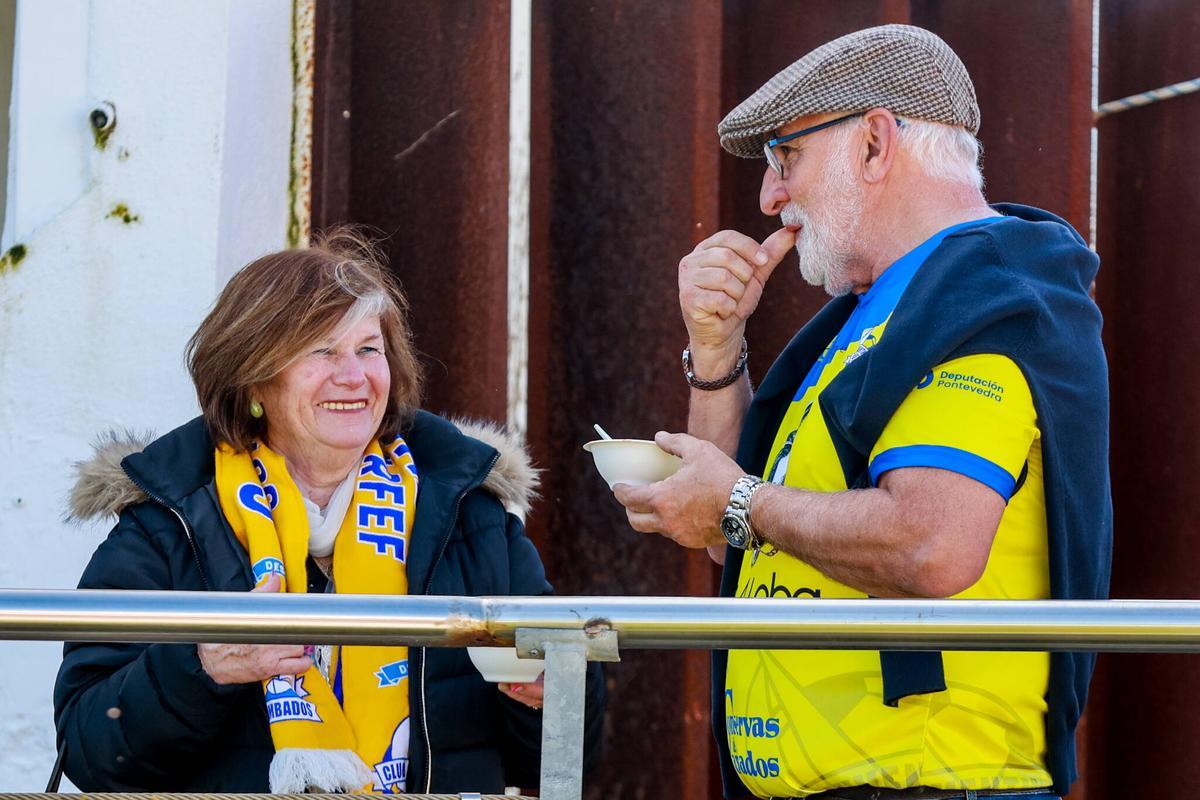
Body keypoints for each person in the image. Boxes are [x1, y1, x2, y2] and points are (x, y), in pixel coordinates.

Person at [612, 24, 1110, 800]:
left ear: (875, 144)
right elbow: (728, 537)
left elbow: (933, 546)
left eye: (787, 157)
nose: (770, 195)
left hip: (931, 783)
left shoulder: (983, 299)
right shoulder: (876, 314)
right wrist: (716, 353)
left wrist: (739, 500)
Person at [55, 229, 604, 793]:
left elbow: (562, 757)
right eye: (321, 351)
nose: (354, 376)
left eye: (369, 349)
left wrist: (549, 694)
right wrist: (202, 668)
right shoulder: (169, 521)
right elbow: (90, 752)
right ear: (254, 379)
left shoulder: (467, 513)